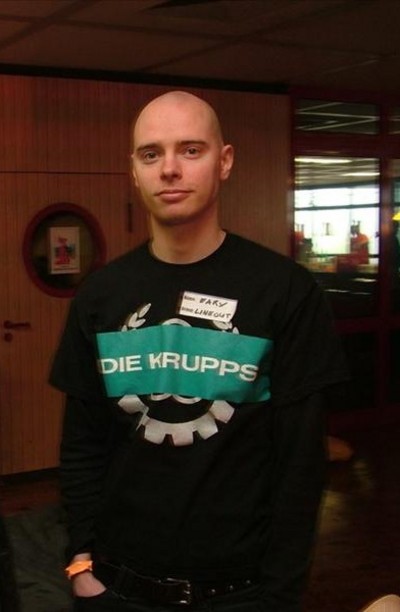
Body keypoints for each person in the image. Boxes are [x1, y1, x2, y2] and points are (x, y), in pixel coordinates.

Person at [50, 90, 348, 612]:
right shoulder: (101, 296)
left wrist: (279, 595)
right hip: (115, 589)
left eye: (191, 150)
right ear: (134, 171)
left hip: (239, 594)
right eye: (151, 154)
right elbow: (82, 444)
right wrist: (81, 562)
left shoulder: (284, 291)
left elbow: (300, 464)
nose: (169, 168)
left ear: (224, 162)